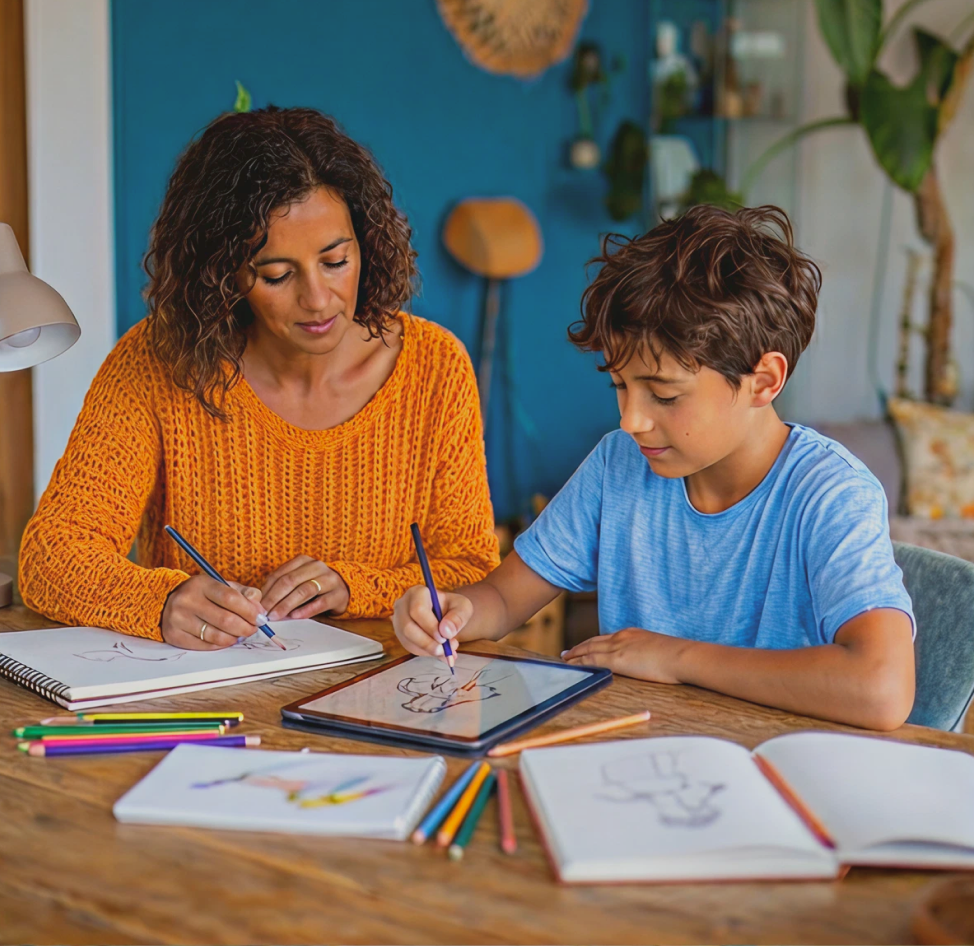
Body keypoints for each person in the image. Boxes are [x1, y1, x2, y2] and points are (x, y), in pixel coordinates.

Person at [393, 204, 916, 731]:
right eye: (621, 387)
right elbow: (504, 598)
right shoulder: (618, 464)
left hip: (771, 776)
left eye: (664, 395)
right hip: (638, 762)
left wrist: (675, 658)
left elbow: (882, 688)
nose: (631, 420)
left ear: (763, 380)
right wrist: (451, 612)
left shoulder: (830, 494)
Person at [20, 107, 498, 650]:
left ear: (366, 244)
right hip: (208, 708)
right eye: (277, 274)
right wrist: (160, 602)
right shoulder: (159, 363)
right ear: (224, 273)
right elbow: (52, 557)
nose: (317, 300)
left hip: (381, 708)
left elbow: (474, 574)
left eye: (336, 261)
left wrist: (355, 586)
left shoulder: (435, 367)